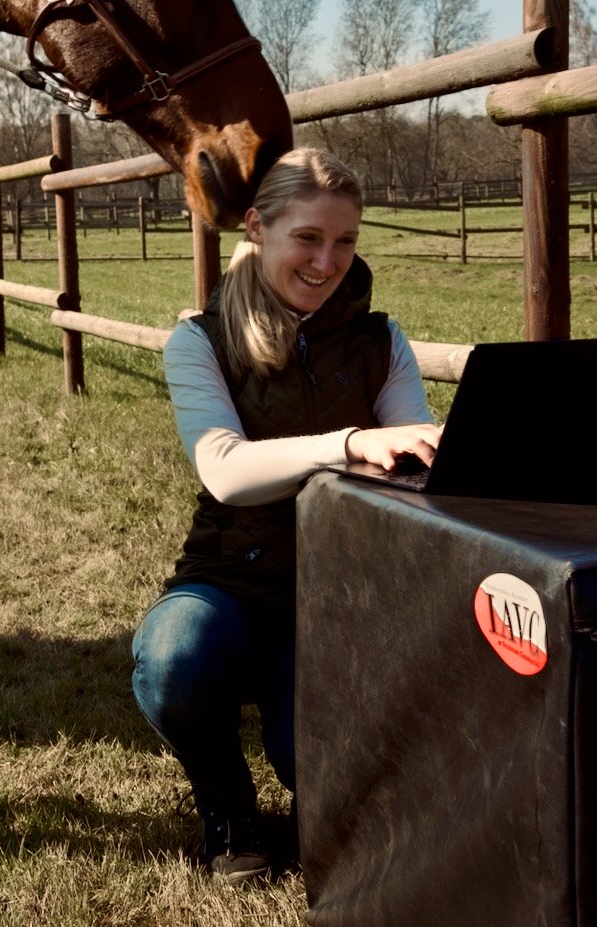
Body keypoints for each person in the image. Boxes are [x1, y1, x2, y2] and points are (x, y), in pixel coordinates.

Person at [131, 146, 442, 884]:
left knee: (311, 761)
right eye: (307, 237)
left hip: (344, 589)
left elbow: (415, 462)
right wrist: (350, 442)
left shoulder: (380, 340)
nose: (326, 262)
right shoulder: (199, 339)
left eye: (345, 241)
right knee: (174, 662)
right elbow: (225, 469)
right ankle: (227, 807)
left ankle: (320, 792)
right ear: (256, 227)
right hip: (232, 578)